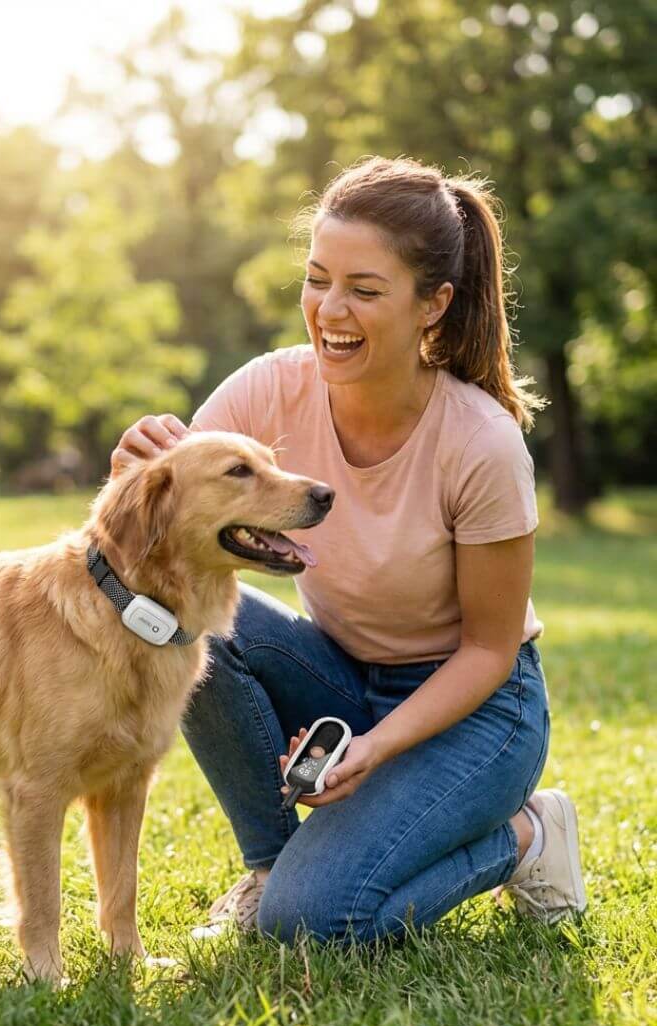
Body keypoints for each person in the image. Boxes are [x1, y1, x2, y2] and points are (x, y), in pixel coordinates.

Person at [111, 156, 586, 944]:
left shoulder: (482, 443)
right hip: (339, 672)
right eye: (318, 278)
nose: (331, 309)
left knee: (321, 921)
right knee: (187, 623)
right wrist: (133, 469)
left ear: (433, 305)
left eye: (365, 290)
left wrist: (375, 746)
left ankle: (527, 837)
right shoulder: (267, 388)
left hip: (475, 712)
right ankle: (271, 866)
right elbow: (166, 530)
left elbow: (489, 651)